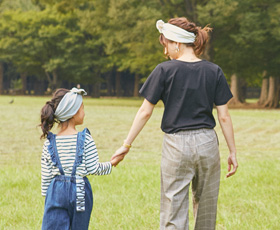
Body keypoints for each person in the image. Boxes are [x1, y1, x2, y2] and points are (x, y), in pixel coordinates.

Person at [112, 17, 238, 230]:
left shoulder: (164, 70)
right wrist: (233, 152)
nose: (165, 52)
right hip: (208, 143)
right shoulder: (214, 71)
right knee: (206, 211)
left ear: (177, 43)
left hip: (176, 146)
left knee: (173, 210)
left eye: (166, 45)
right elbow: (224, 116)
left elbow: (145, 112)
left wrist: (126, 145)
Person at [40, 87, 123, 230]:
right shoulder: (85, 139)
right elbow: (93, 168)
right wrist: (111, 164)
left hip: (55, 191)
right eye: (82, 108)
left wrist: (49, 196)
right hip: (79, 190)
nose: (84, 112)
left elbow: (46, 176)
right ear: (73, 112)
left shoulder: (49, 142)